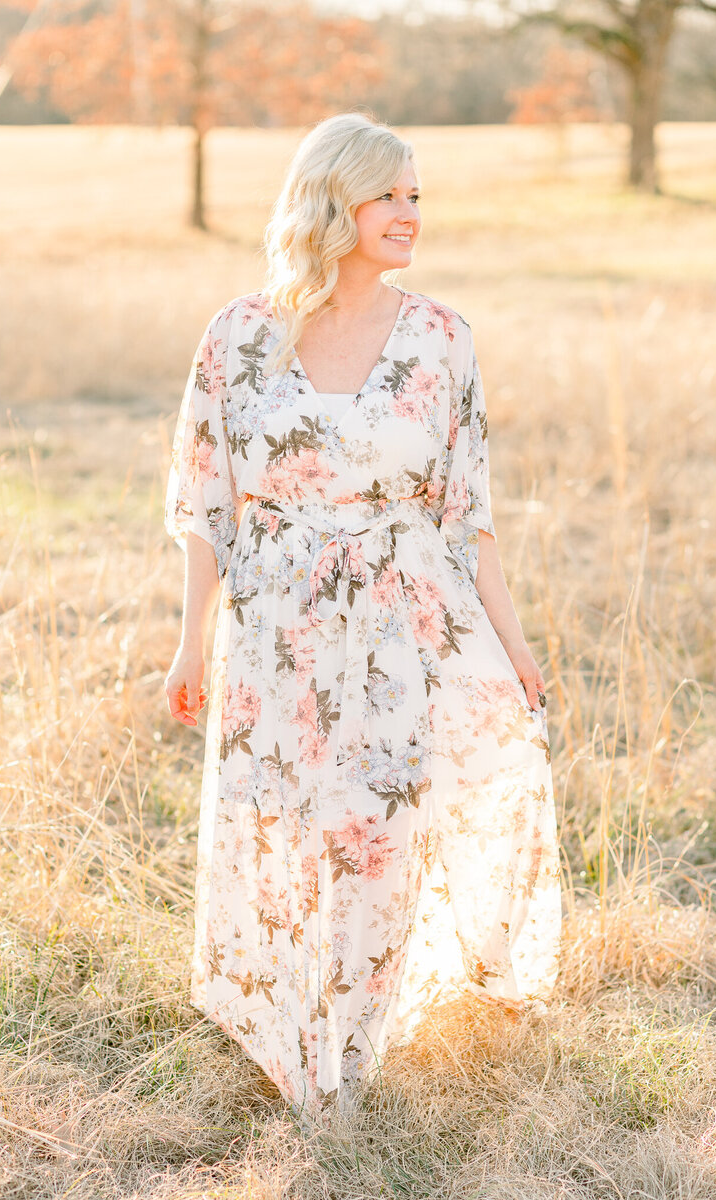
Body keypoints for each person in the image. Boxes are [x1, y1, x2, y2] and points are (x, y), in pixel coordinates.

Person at [164, 111, 562, 1128]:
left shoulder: (440, 340)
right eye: (389, 194)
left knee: (378, 828)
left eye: (417, 197)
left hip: (403, 619)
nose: (409, 215)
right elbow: (205, 502)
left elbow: (466, 513)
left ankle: (353, 1042)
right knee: (287, 827)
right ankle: (293, 1031)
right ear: (331, 200)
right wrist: (187, 642)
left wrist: (512, 650)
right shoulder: (239, 337)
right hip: (274, 626)